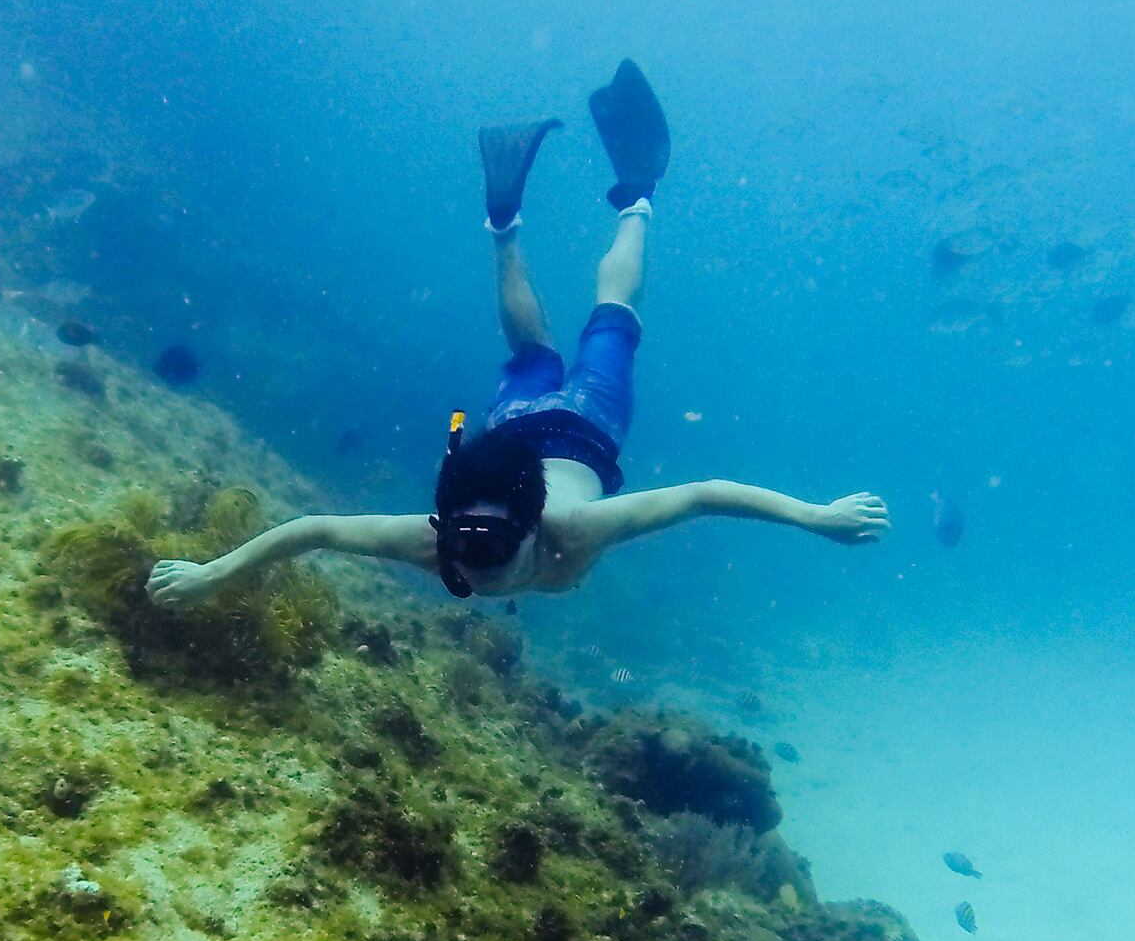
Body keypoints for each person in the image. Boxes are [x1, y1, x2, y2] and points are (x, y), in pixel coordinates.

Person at [145, 60, 889, 609]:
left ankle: (621, 203)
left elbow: (704, 494)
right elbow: (311, 529)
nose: (478, 567)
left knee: (603, 320)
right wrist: (210, 574)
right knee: (574, 333)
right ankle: (550, 216)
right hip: (526, 428)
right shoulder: (474, 537)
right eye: (467, 545)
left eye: (491, 548)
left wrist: (816, 516)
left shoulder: (569, 528)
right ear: (448, 525)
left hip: (577, 426)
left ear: (534, 526)